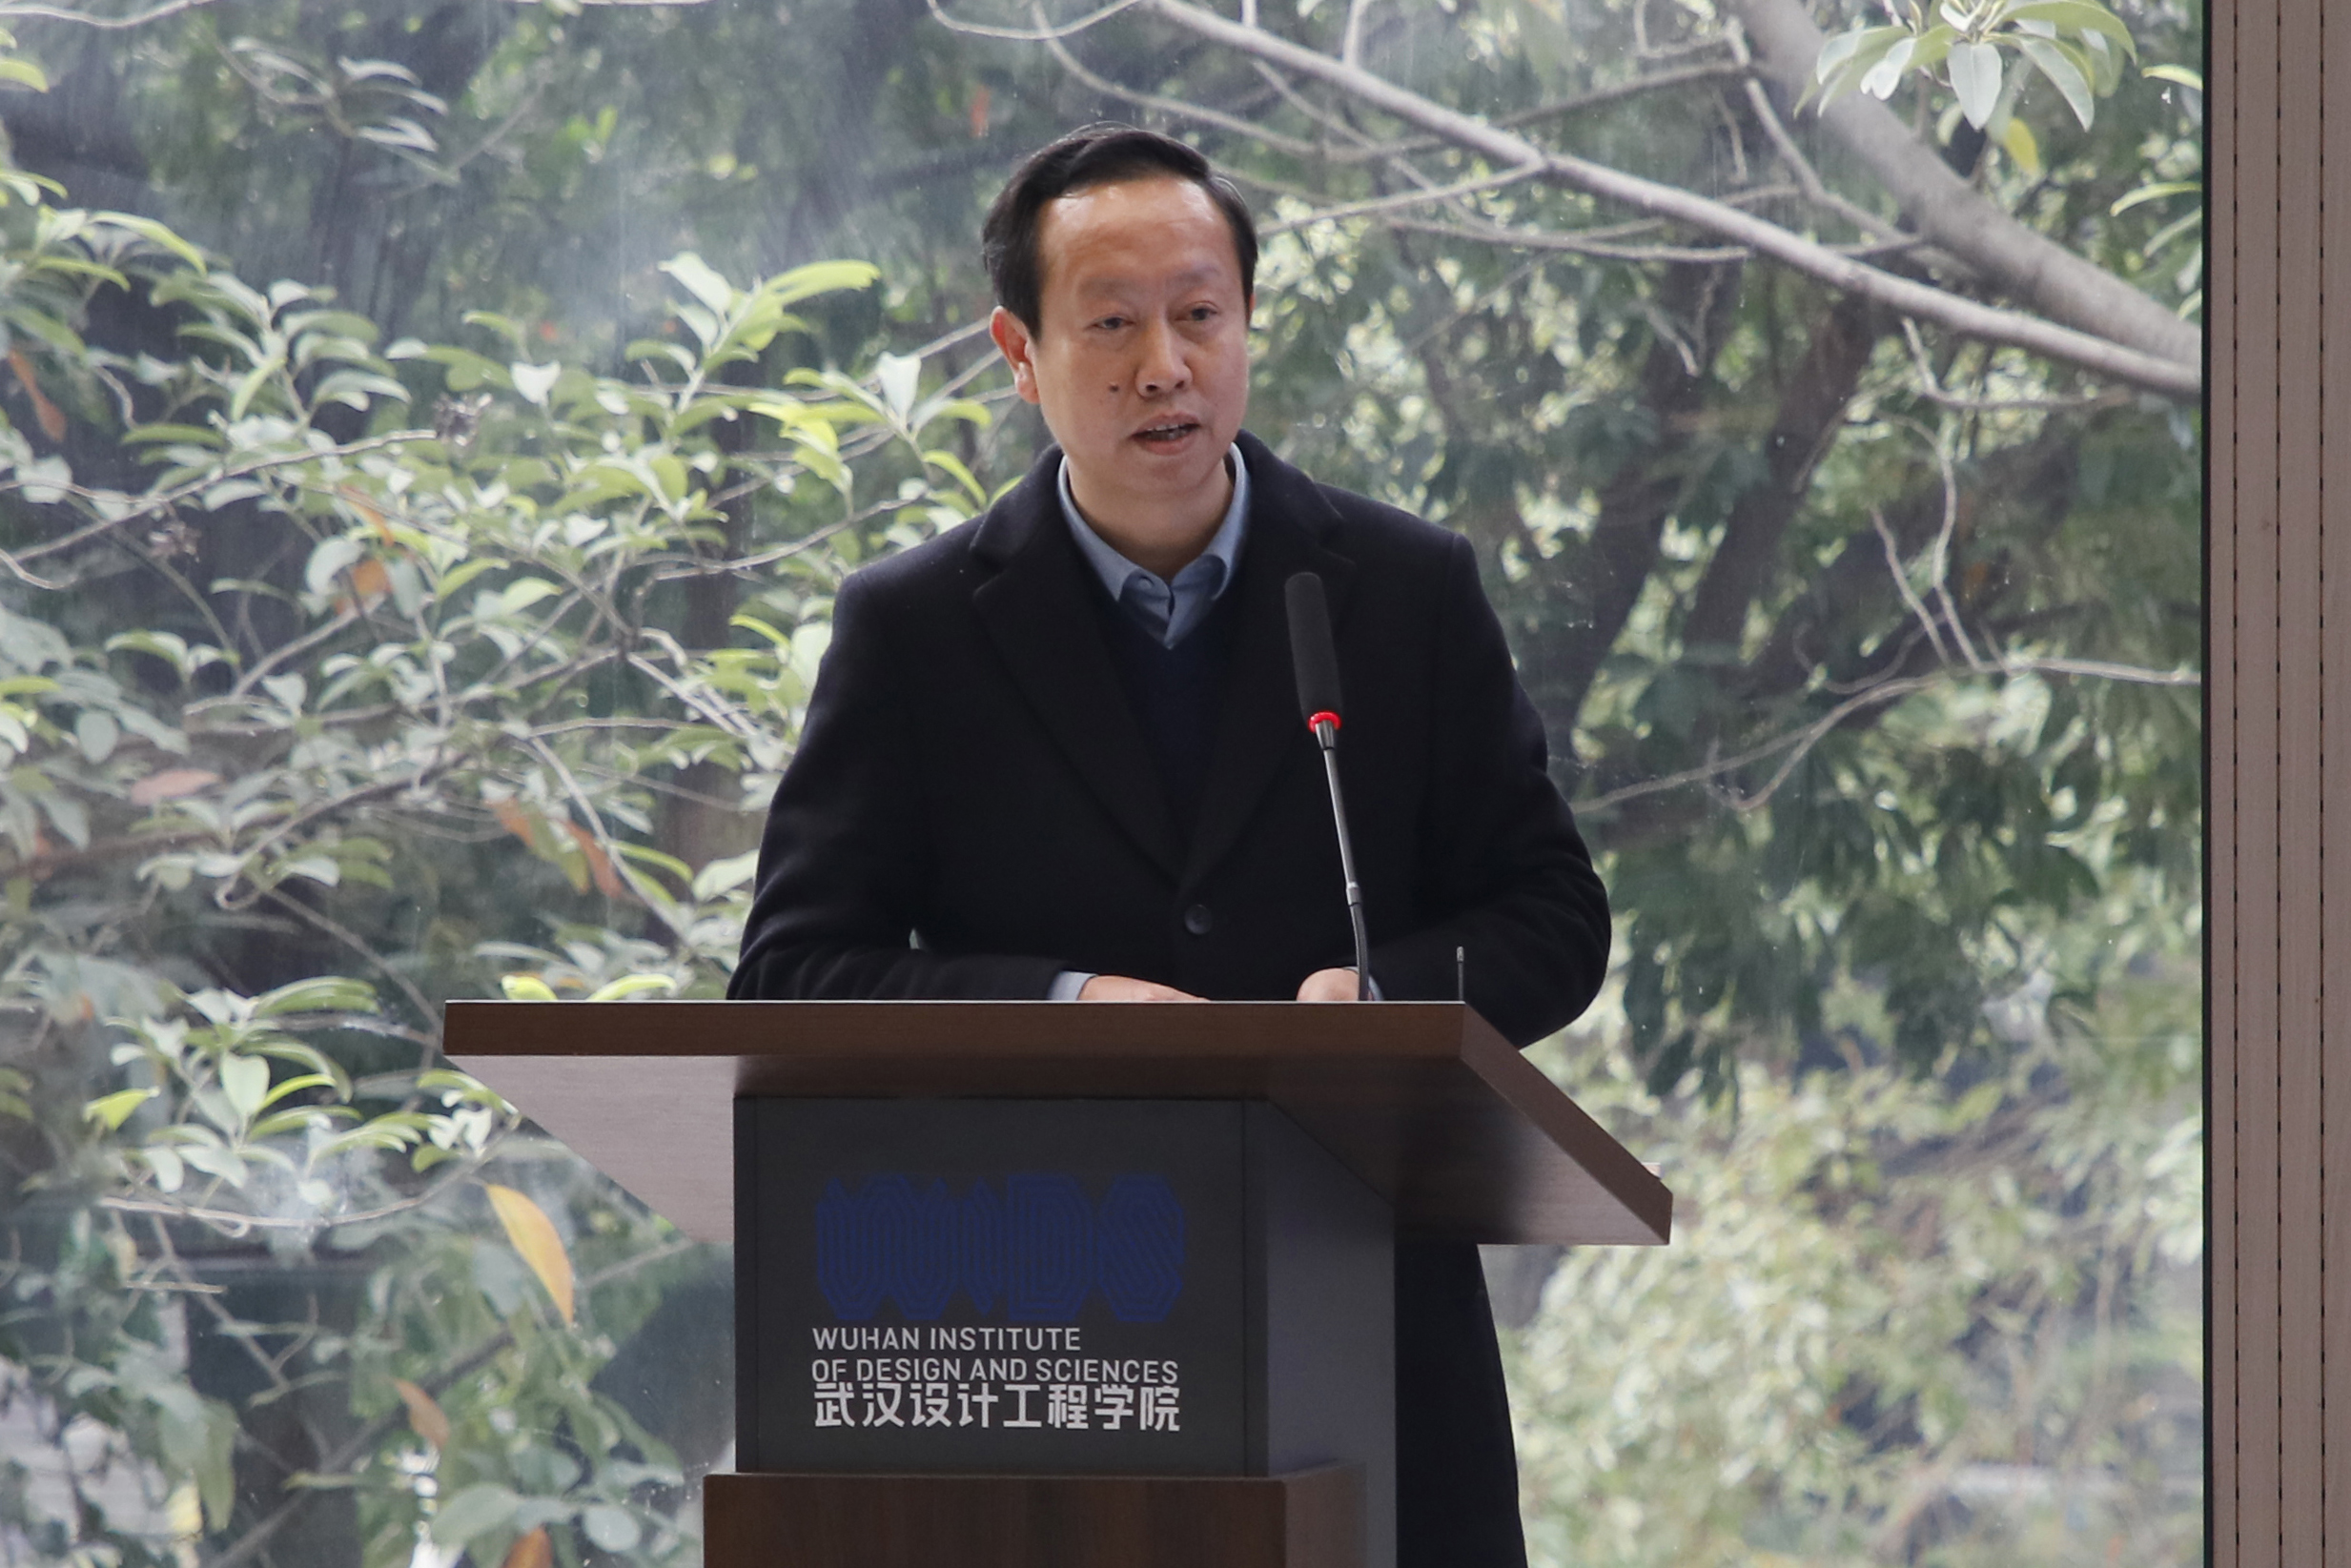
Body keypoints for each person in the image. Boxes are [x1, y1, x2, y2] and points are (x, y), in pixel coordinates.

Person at [730, 123, 1611, 1567]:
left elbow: (1552, 915)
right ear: (1019, 354)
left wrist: (1378, 999)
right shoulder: (913, 628)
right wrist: (1066, 1008)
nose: (1165, 366)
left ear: (1247, 321)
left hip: (1375, 1325)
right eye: (1112, 325)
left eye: (1200, 315)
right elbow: (792, 973)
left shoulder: (1404, 589)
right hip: (1038, 1336)